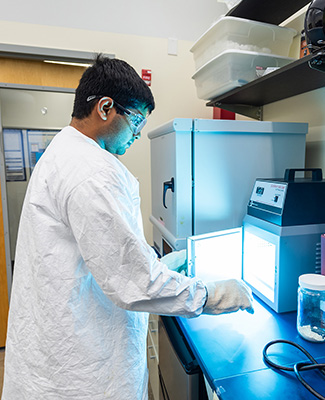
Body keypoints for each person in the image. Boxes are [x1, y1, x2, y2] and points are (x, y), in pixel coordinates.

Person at [1, 55, 253, 400]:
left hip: (55, 350)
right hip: (81, 373)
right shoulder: (93, 171)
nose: (137, 134)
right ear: (105, 108)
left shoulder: (63, 152)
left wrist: (155, 265)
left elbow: (92, 257)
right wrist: (215, 294)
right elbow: (135, 282)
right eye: (135, 121)